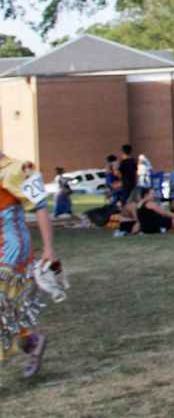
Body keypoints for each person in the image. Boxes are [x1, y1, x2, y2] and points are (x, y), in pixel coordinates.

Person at [0, 150, 58, 381]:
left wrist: (49, 248)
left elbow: (40, 207)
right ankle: (32, 342)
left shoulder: (17, 169)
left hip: (11, 249)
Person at [116, 145, 138, 209]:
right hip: (133, 183)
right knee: (133, 198)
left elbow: (117, 173)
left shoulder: (122, 162)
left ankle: (125, 210)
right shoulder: (134, 161)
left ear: (122, 153)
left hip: (125, 183)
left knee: (125, 198)